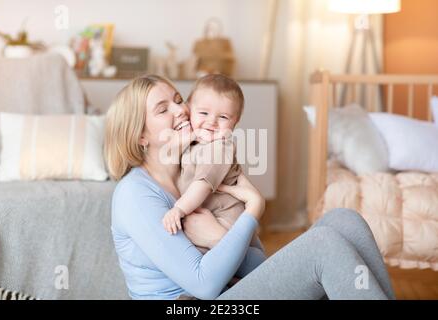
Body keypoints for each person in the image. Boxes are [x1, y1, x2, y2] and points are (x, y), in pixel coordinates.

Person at [104, 74, 395, 300]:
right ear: (140, 135)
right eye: (162, 109)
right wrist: (252, 210)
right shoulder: (136, 194)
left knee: (345, 220)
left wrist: (222, 236)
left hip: (228, 293)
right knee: (323, 246)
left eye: (179, 99)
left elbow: (256, 264)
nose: (180, 110)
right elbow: (203, 284)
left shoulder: (193, 174)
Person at [161, 74, 259, 253]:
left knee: (203, 256)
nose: (212, 122)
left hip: (227, 219)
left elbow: (202, 184)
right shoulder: (197, 142)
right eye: (204, 113)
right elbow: (166, 151)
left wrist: (179, 210)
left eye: (223, 117)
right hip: (209, 215)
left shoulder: (219, 147)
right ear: (189, 110)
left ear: (235, 122)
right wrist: (192, 135)